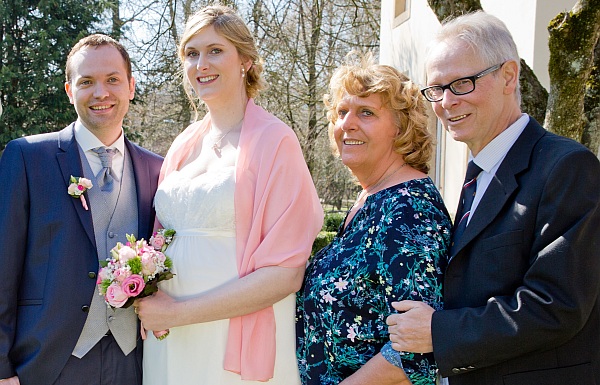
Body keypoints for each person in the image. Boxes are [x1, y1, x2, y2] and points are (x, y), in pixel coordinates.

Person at [386, 11, 600, 385]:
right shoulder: (477, 176)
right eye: (436, 89)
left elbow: (557, 306)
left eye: (463, 83)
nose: (447, 102)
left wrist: (439, 332)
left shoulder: (567, 167)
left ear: (508, 76)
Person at [134, 5, 323, 385]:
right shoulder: (183, 145)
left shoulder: (275, 141)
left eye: (215, 50)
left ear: (246, 60)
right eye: (192, 54)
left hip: (229, 334)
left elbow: (286, 275)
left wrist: (178, 313)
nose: (201, 63)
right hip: (170, 336)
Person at [0, 34, 163, 385]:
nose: (101, 92)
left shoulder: (156, 169)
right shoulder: (27, 157)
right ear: (70, 91)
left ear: (131, 86)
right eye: (87, 81)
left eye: (113, 80)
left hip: (132, 361)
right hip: (46, 361)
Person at [295, 54, 451, 385]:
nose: (346, 124)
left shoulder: (409, 208)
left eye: (366, 112)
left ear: (401, 128)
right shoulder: (371, 197)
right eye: (341, 112)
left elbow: (415, 349)